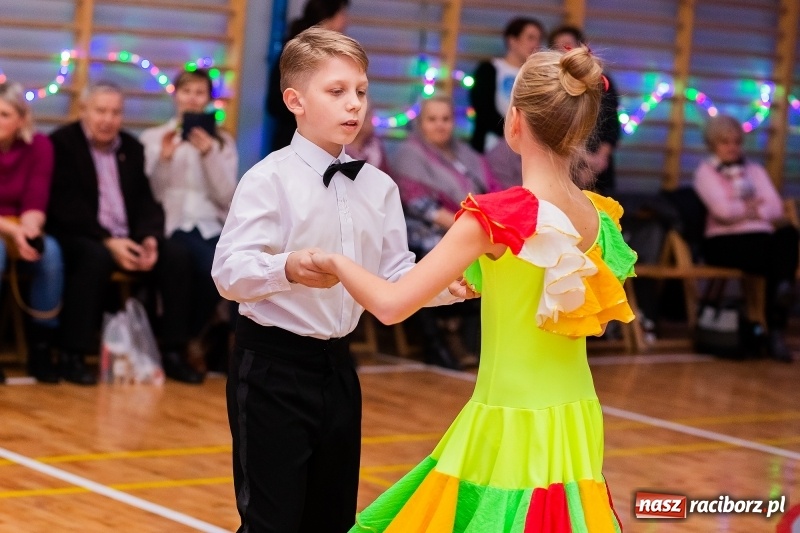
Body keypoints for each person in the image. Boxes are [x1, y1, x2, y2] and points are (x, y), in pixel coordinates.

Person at [311, 45, 636, 531]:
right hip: (576, 413)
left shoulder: (498, 216)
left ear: (515, 122)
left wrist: (332, 260)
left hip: (509, 415)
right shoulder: (598, 217)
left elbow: (392, 305)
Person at [212, 28, 467, 533]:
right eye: (337, 91)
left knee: (331, 519)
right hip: (272, 368)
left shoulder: (379, 186)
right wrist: (287, 267)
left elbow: (396, 275)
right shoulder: (267, 179)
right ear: (295, 101)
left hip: (339, 369)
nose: (354, 104)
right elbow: (228, 273)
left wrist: (445, 287)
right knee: (271, 522)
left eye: (361, 91)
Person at [47, 81, 204, 385]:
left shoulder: (132, 148)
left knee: (177, 256)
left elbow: (145, 201)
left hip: (128, 235)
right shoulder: (62, 143)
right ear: (84, 111)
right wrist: (108, 241)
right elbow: (65, 206)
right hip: (82, 233)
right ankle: (72, 354)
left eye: (115, 112)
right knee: (94, 258)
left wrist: (150, 239)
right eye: (101, 111)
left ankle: (173, 351)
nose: (108, 120)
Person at [140, 68, 238, 371]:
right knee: (208, 267)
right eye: (186, 92)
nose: (192, 99)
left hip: (211, 223)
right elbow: (152, 194)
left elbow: (227, 195)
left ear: (208, 99)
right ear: (176, 96)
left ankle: (203, 339)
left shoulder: (223, 142)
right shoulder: (155, 138)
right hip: (174, 223)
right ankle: (188, 340)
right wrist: (164, 159)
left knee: (236, 264)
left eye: (199, 93)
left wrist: (209, 155)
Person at [393, 96, 501, 368]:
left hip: (469, 227)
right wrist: (469, 230)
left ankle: (474, 339)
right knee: (456, 255)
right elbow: (421, 206)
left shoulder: (465, 154)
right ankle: (440, 341)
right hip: (427, 230)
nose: (440, 125)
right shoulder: (410, 154)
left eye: (446, 119)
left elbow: (490, 192)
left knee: (498, 256)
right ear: (421, 123)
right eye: (432, 119)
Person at [694, 114, 799, 362]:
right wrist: (751, 209)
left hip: (761, 240)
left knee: (788, 234)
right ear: (713, 144)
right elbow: (722, 212)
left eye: (736, 142)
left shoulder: (755, 171)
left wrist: (744, 210)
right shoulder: (705, 172)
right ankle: (775, 327)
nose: (732, 147)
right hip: (724, 242)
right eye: (725, 142)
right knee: (777, 261)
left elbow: (775, 208)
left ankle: (775, 312)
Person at [0, 81, 63, 384]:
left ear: (22, 119)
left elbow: (36, 198)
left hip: (19, 223)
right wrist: (13, 231)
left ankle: (41, 347)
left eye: (4, 114)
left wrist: (29, 231)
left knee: (49, 253)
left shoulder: (40, 146)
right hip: (5, 227)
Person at [266, 0, 350, 152]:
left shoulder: (333, 55)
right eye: (342, 14)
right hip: (294, 140)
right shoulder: (299, 53)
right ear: (328, 17)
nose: (346, 21)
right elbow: (274, 103)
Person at [549, 25, 621, 195]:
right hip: (563, 164)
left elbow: (612, 124)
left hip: (599, 165)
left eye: (568, 46)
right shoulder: (551, 83)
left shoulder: (600, 80)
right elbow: (553, 128)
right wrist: (581, 159)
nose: (564, 51)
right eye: (558, 47)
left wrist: (599, 159)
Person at [469, 16, 544, 153]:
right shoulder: (489, 69)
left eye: (539, 39)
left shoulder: (538, 76)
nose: (536, 44)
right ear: (512, 40)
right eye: (530, 38)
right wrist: (514, 132)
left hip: (526, 148)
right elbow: (484, 111)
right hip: (492, 144)